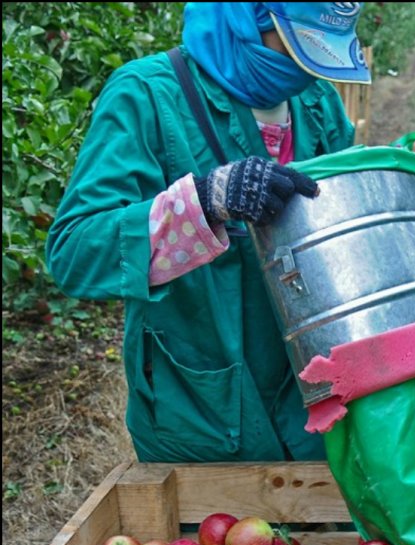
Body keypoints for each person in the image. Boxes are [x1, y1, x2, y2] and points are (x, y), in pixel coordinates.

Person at [45, 2, 370, 463]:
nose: (304, 66)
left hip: (314, 403)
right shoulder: (148, 95)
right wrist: (204, 202)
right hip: (202, 409)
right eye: (300, 43)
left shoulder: (316, 103)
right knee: (212, 536)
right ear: (252, 16)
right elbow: (75, 250)